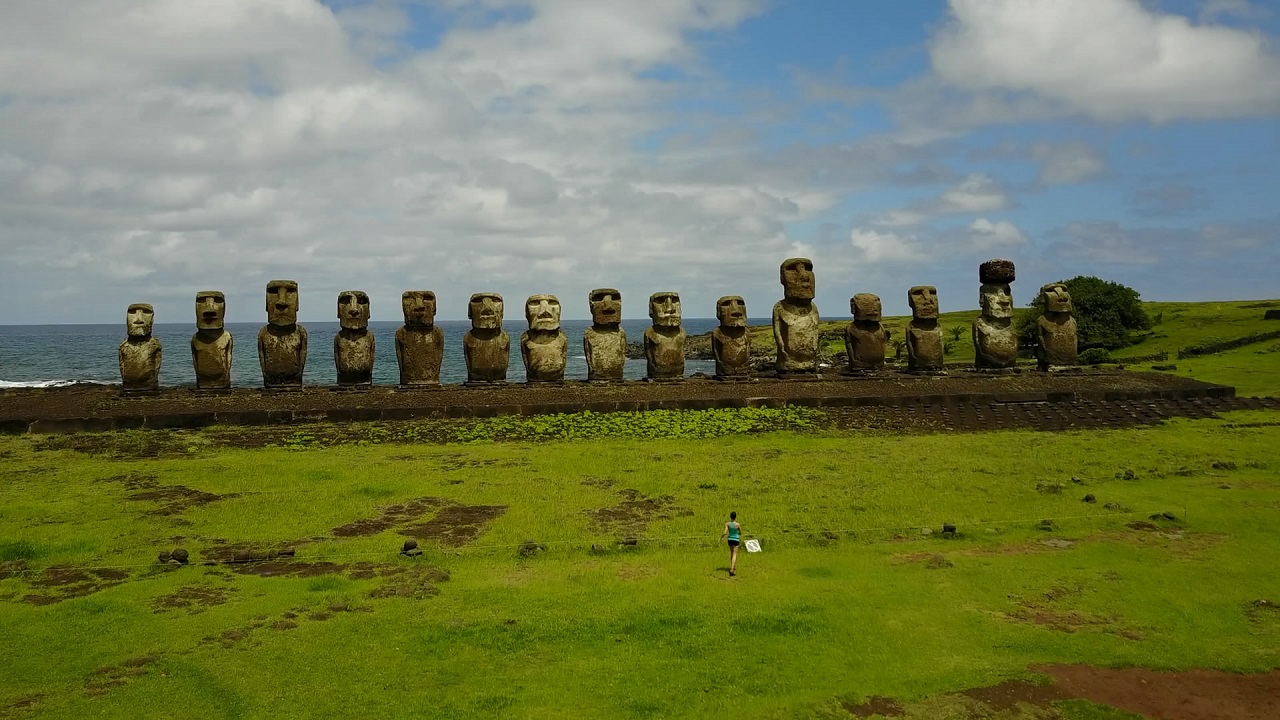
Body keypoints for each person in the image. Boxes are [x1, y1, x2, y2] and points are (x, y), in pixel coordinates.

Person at [720, 511, 742, 577]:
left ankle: (732, 566)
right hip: (736, 540)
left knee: (732, 553)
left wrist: (721, 538)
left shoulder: (727, 524)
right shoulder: (738, 524)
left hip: (730, 540)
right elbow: (740, 532)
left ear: (730, 516)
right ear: (735, 517)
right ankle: (732, 569)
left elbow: (724, 532)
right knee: (735, 554)